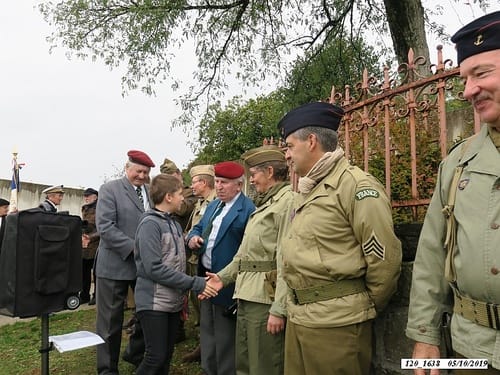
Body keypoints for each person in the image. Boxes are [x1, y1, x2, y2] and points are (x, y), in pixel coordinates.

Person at [277, 101, 402, 375]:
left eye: (289, 145)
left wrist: (358, 308)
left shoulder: (356, 187)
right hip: (300, 318)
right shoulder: (308, 189)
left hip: (337, 325)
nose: (286, 155)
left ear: (311, 141)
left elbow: (384, 261)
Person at [406, 11, 500, 374]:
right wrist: (425, 335)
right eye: (464, 78)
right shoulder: (457, 163)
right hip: (471, 351)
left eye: (482, 73)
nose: (468, 91)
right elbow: (431, 253)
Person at [204, 145, 293, 374]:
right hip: (247, 293)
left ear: (270, 172)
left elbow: (287, 260)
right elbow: (243, 255)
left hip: (266, 300)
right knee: (244, 363)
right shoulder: (266, 204)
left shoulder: (287, 203)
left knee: (263, 364)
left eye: (253, 174)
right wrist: (221, 278)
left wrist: (279, 308)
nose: (250, 180)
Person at [134, 173, 218, 375]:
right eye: (180, 193)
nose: (184, 198)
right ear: (168, 197)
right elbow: (154, 268)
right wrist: (194, 283)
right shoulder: (150, 225)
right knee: (155, 357)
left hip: (171, 301)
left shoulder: (171, 222)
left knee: (165, 356)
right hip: (154, 303)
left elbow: (175, 252)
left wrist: (190, 241)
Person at [187, 161, 255, 375]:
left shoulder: (248, 210)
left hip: (228, 284)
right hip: (205, 280)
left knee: (226, 339)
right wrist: (193, 238)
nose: (219, 186)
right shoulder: (214, 205)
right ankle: (209, 370)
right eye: (217, 181)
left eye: (224, 182)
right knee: (207, 332)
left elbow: (248, 250)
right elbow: (197, 227)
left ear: (239, 185)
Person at [95, 149, 155, 375]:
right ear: (127, 168)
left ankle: (136, 355)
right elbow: (106, 227)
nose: (141, 176)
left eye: (146, 172)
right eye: (138, 171)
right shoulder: (110, 189)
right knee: (110, 324)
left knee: (146, 315)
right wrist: (136, 248)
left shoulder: (150, 191)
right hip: (114, 265)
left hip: (143, 268)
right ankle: (107, 369)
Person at [182, 164, 216, 363]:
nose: (192, 186)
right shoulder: (201, 202)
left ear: (204, 182)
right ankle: (203, 346)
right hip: (193, 259)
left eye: (194, 182)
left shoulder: (215, 202)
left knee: (207, 308)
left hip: (204, 262)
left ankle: (208, 349)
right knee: (198, 306)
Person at [81, 187, 100, 305]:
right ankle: (84, 295)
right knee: (84, 272)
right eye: (85, 196)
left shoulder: (100, 208)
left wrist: (91, 237)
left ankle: (97, 296)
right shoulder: (85, 208)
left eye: (88, 196)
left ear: (95, 196)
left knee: (97, 273)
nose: (86, 198)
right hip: (85, 244)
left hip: (96, 244)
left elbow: (102, 227)